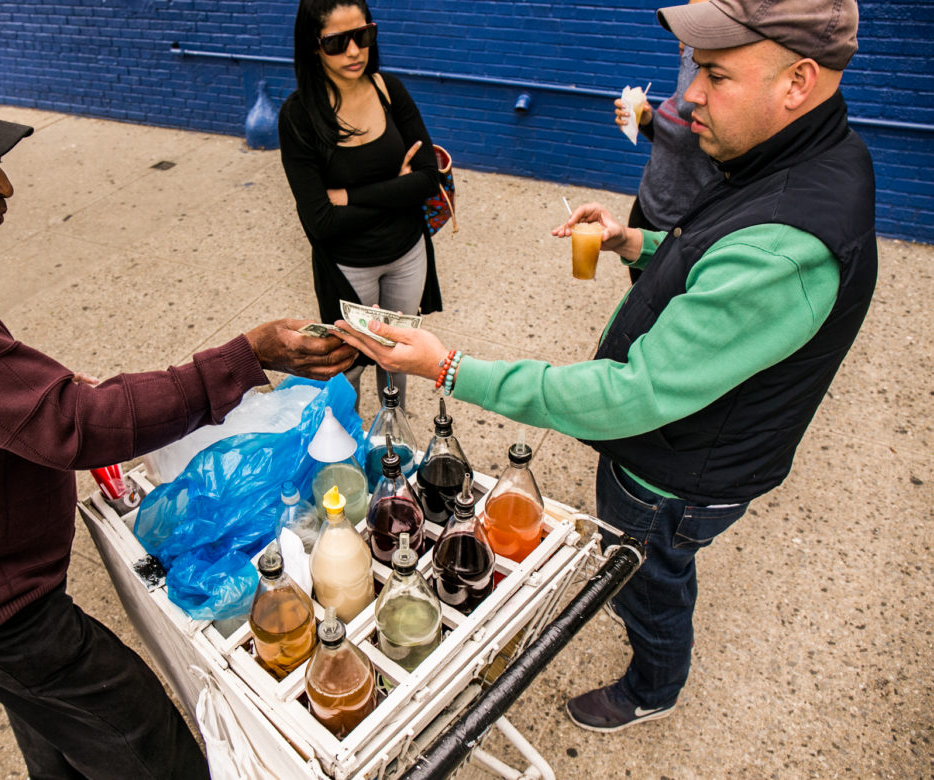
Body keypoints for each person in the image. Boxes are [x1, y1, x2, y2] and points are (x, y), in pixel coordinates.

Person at [334, 0, 875, 734]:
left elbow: (633, 396)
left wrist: (452, 366)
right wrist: (636, 245)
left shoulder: (789, 240)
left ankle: (653, 689)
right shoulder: (805, 155)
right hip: (678, 450)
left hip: (673, 477)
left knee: (647, 583)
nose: (688, 95)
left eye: (716, 74)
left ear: (797, 80)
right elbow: (720, 260)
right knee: (646, 570)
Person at [0, 66, 356, 779]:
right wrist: (247, 355)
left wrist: (45, 398)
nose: (3, 185)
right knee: (150, 746)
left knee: (54, 733)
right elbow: (75, 425)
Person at [279, 0, 444, 409]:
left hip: (408, 254)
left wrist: (350, 197)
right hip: (349, 268)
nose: (354, 51)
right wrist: (398, 189)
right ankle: (346, 448)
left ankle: (395, 436)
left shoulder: (390, 89)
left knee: (398, 358)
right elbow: (321, 221)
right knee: (346, 363)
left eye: (363, 35)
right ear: (313, 46)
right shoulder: (298, 116)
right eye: (336, 42)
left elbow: (428, 179)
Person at [613, 0, 720, 283]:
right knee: (638, 292)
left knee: (659, 303)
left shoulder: (704, 90)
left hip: (681, 223)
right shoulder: (690, 78)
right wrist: (648, 121)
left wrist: (691, 51)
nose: (681, 43)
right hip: (648, 206)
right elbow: (676, 136)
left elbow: (687, 109)